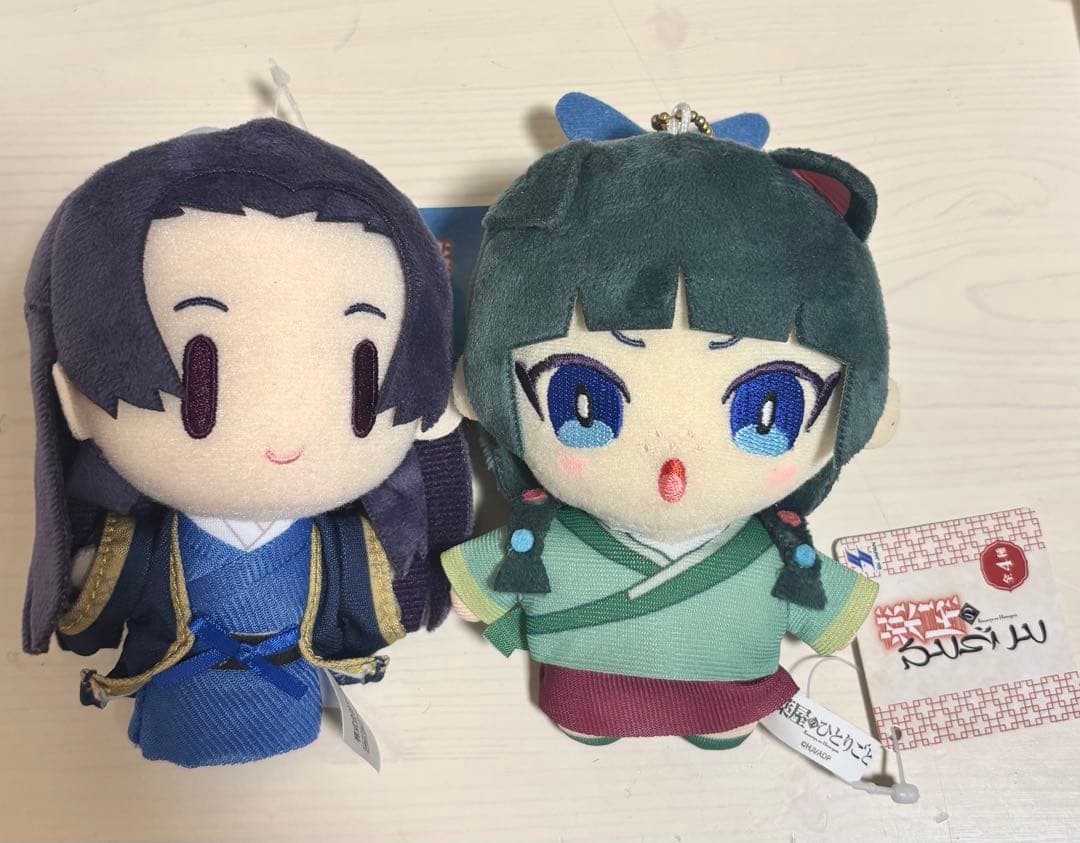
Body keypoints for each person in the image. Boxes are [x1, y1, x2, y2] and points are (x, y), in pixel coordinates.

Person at [23, 119, 472, 765]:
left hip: (293, 696)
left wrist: (408, 595)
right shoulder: (149, 545)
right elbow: (105, 589)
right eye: (199, 386)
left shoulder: (335, 545)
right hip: (178, 690)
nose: (283, 436)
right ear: (76, 402)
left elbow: (367, 593)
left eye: (362, 377)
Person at [443, 127, 897, 747]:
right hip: (586, 693)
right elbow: (475, 590)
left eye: (767, 411)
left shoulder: (773, 553)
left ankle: (709, 722)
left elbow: (837, 615)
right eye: (584, 402)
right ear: (480, 390)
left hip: (727, 694)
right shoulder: (544, 539)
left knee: (721, 721)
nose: (674, 469)